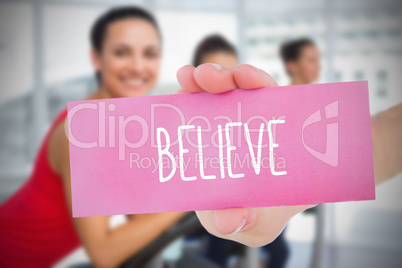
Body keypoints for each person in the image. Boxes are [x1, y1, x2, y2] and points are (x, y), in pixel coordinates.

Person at [0, 7, 187, 267]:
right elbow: (104, 253)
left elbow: (140, 215)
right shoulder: (87, 131)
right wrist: (191, 198)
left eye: (149, 54)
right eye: (121, 52)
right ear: (97, 58)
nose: (137, 66)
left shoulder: (118, 129)